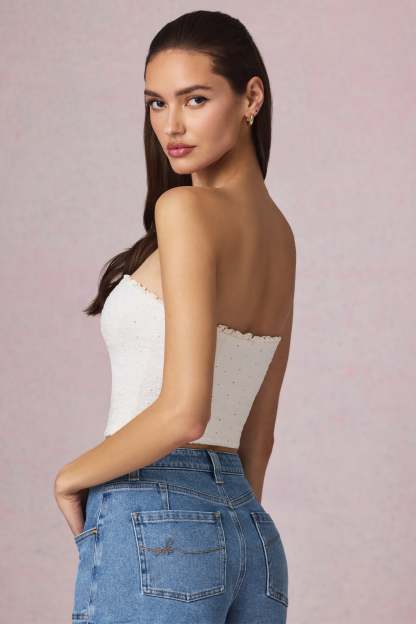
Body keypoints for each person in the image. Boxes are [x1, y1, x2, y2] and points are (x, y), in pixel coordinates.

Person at [54, 9, 296, 624]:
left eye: (195, 99)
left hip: (153, 509)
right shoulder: (280, 236)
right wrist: (223, 532)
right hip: (251, 533)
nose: (172, 125)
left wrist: (72, 477)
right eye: (156, 104)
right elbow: (258, 438)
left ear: (251, 97)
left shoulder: (185, 210)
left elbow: (186, 412)